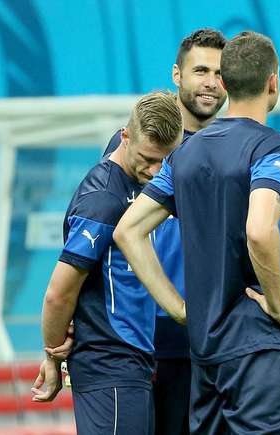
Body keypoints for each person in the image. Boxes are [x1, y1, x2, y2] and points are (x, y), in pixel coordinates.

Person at [113, 31, 280, 435]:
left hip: (204, 345)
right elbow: (259, 230)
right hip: (259, 344)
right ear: (273, 82)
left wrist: (182, 310)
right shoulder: (274, 149)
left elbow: (128, 231)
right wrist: (277, 305)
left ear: (227, 84)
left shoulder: (185, 153)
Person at [98, 28, 226, 435]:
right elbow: (100, 236)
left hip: (205, 337)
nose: (210, 82)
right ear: (177, 74)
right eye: (200, 70)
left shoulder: (233, 149)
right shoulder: (133, 147)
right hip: (140, 334)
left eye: (219, 73)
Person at [31, 92, 183, 435]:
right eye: (147, 158)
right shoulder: (103, 200)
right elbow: (58, 294)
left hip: (133, 365)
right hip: (108, 365)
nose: (155, 170)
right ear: (124, 136)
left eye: (165, 160)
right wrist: (53, 359)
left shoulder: (143, 189)